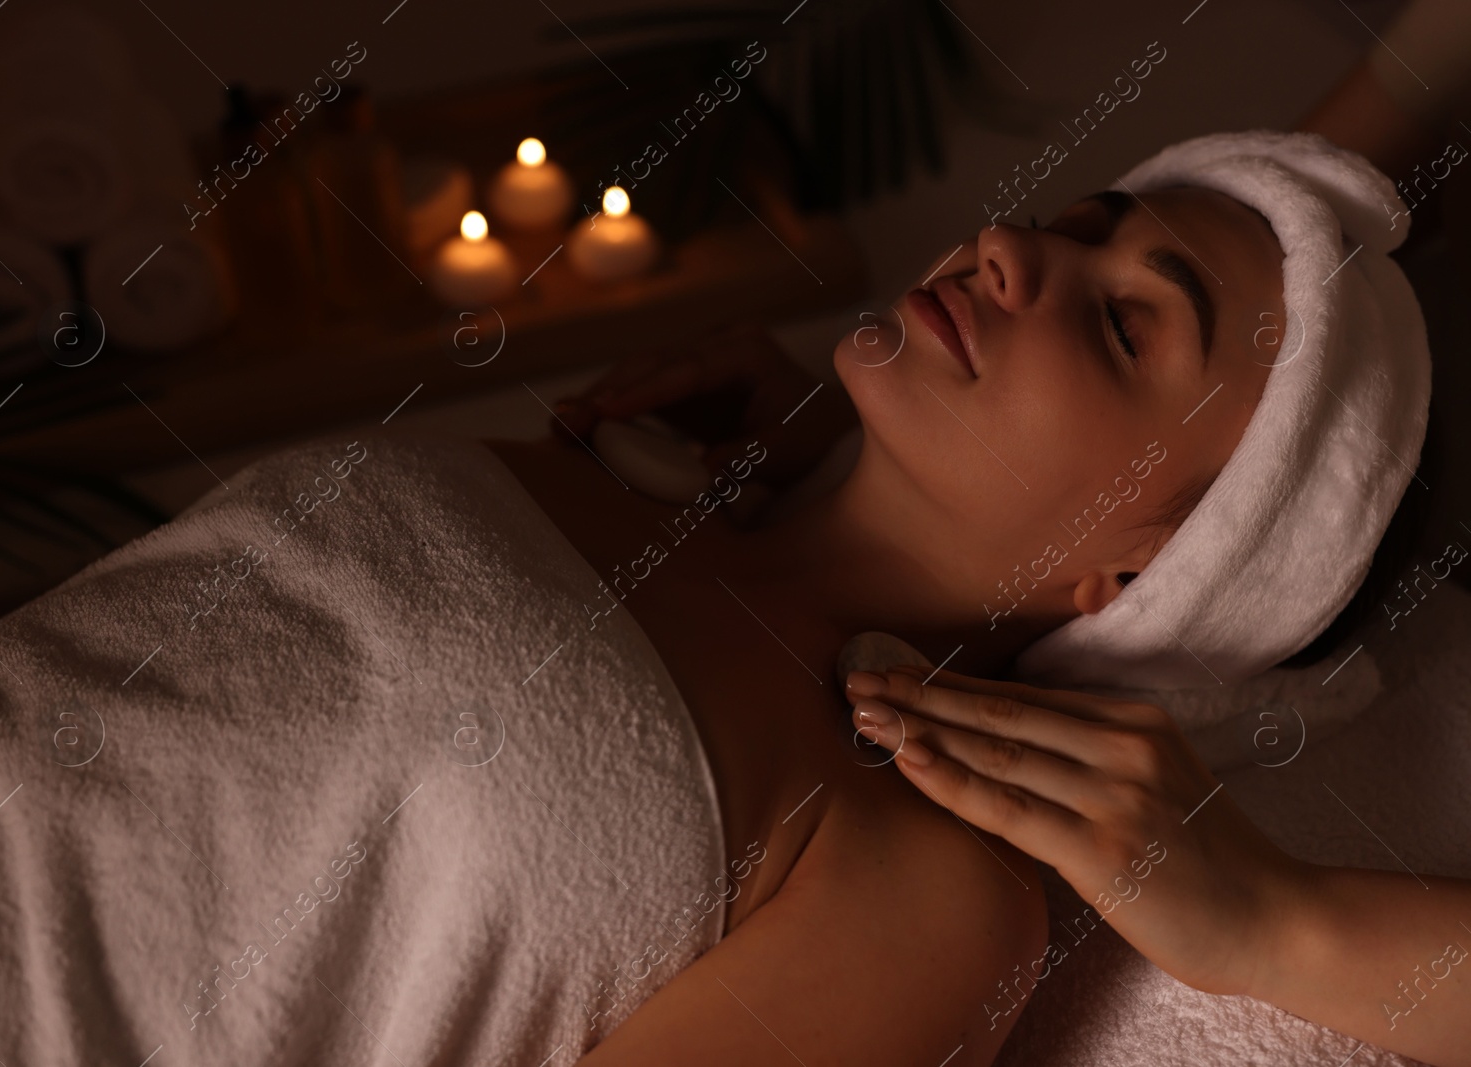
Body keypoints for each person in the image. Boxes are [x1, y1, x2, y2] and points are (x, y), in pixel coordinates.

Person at [536, 128, 1455, 1066]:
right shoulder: (606, 453)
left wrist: (1278, 920)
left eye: (1122, 327)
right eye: (1058, 225)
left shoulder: (923, 897)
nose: (1006, 248)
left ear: (1162, 576)